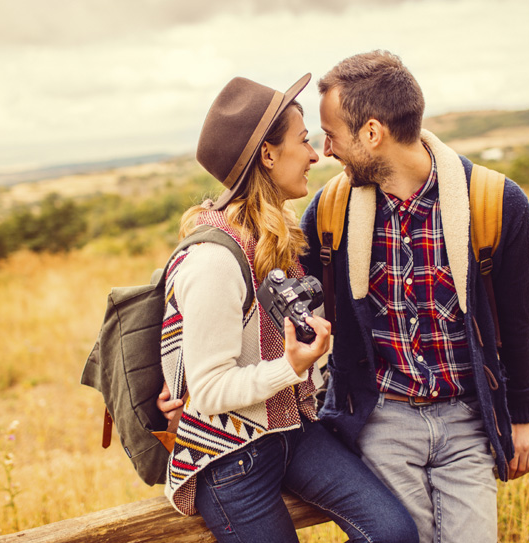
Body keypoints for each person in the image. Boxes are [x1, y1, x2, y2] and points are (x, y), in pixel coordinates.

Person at [159, 73, 418, 543]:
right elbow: (210, 391)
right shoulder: (215, 260)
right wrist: (292, 366)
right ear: (268, 155)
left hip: (293, 431)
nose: (316, 154)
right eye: (303, 141)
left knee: (394, 533)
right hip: (230, 456)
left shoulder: (277, 233)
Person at [296, 50, 529, 543]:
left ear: (371, 133)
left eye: (332, 134)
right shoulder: (328, 213)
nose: (325, 152)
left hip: (468, 419)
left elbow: (518, 324)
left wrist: (521, 417)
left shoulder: (495, 202)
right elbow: (294, 316)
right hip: (381, 420)